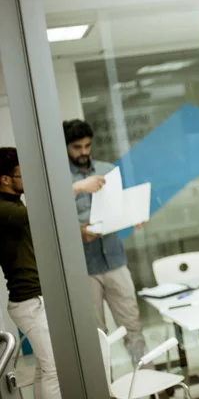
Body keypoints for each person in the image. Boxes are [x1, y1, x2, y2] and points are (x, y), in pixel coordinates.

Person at [0, 147, 106, 399]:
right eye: (21, 174)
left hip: (35, 299)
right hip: (28, 302)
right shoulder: (4, 209)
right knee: (54, 368)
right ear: (5, 179)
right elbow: (39, 213)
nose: (28, 180)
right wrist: (78, 187)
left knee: (46, 367)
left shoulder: (13, 205)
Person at [62, 119, 148, 366]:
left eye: (87, 146)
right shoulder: (61, 181)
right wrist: (77, 191)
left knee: (133, 325)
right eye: (77, 147)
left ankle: (147, 377)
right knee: (96, 335)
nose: (84, 152)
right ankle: (103, 390)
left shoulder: (107, 170)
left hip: (115, 260)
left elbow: (120, 208)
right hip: (84, 269)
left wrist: (135, 218)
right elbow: (52, 220)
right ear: (66, 147)